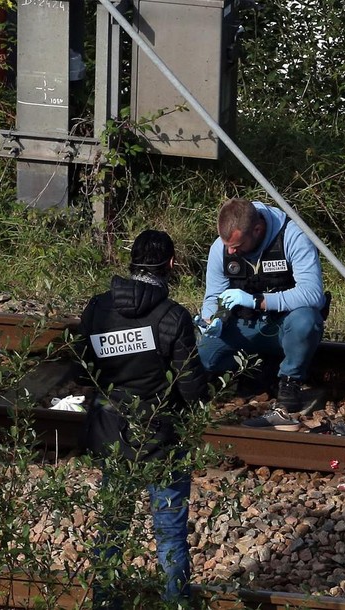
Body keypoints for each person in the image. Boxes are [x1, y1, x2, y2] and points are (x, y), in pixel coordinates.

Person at [78, 229, 207, 608]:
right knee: (169, 535)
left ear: (131, 261)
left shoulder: (98, 307)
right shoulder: (173, 317)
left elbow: (85, 368)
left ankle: (106, 602)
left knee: (112, 529)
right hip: (161, 437)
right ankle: (176, 604)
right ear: (170, 264)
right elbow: (190, 384)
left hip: (111, 431)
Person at [198, 197, 327, 431]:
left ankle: (289, 381)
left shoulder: (292, 236)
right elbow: (213, 295)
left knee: (306, 321)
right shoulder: (222, 247)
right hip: (245, 325)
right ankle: (252, 373)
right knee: (205, 353)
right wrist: (211, 318)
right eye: (227, 244)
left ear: (257, 230)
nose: (231, 251)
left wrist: (259, 301)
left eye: (237, 245)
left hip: (283, 325)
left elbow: (313, 294)